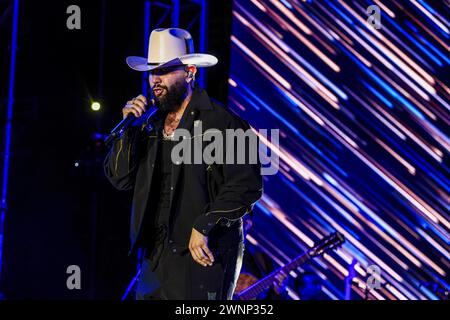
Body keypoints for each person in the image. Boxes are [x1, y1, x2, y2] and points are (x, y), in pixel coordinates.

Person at [104, 28, 263, 300]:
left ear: (190, 72)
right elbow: (119, 178)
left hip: (202, 256)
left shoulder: (223, 123)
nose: (156, 79)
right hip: (153, 259)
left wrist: (204, 225)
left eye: (165, 71)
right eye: (153, 72)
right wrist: (128, 130)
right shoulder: (147, 125)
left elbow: (246, 185)